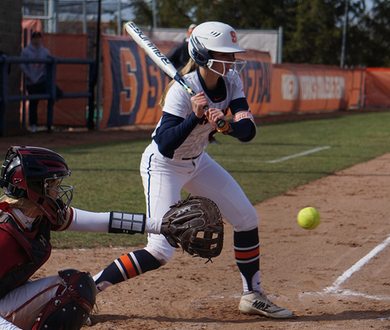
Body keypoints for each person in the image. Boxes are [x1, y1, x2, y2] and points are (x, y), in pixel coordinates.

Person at [92, 22, 294, 319]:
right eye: (223, 54)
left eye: (230, 54)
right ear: (202, 54)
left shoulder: (232, 83)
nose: (230, 61)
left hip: (197, 162)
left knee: (246, 218)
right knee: (160, 250)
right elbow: (164, 144)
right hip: (163, 167)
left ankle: (252, 294)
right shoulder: (181, 91)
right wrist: (194, 118)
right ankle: (85, 289)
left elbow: (248, 131)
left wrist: (225, 125)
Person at [0, 145, 169, 330]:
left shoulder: (35, 214)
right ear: (35, 189)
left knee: (75, 285)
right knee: (72, 288)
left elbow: (101, 221)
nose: (59, 189)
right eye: (53, 184)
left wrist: (162, 226)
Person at [167, 23, 221, 145]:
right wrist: (175, 76)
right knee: (183, 114)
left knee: (204, 111)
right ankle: (180, 137)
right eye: (192, 33)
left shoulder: (203, 49)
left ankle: (208, 137)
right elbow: (166, 61)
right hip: (183, 86)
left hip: (199, 85)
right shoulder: (181, 47)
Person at [20, 31, 62, 133]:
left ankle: (50, 123)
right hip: (31, 82)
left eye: (39, 37)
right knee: (33, 103)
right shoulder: (26, 52)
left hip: (42, 81)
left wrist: (42, 76)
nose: (37, 39)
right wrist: (30, 76)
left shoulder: (45, 52)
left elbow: (48, 66)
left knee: (56, 93)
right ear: (32, 39)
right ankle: (33, 125)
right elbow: (22, 65)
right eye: (35, 37)